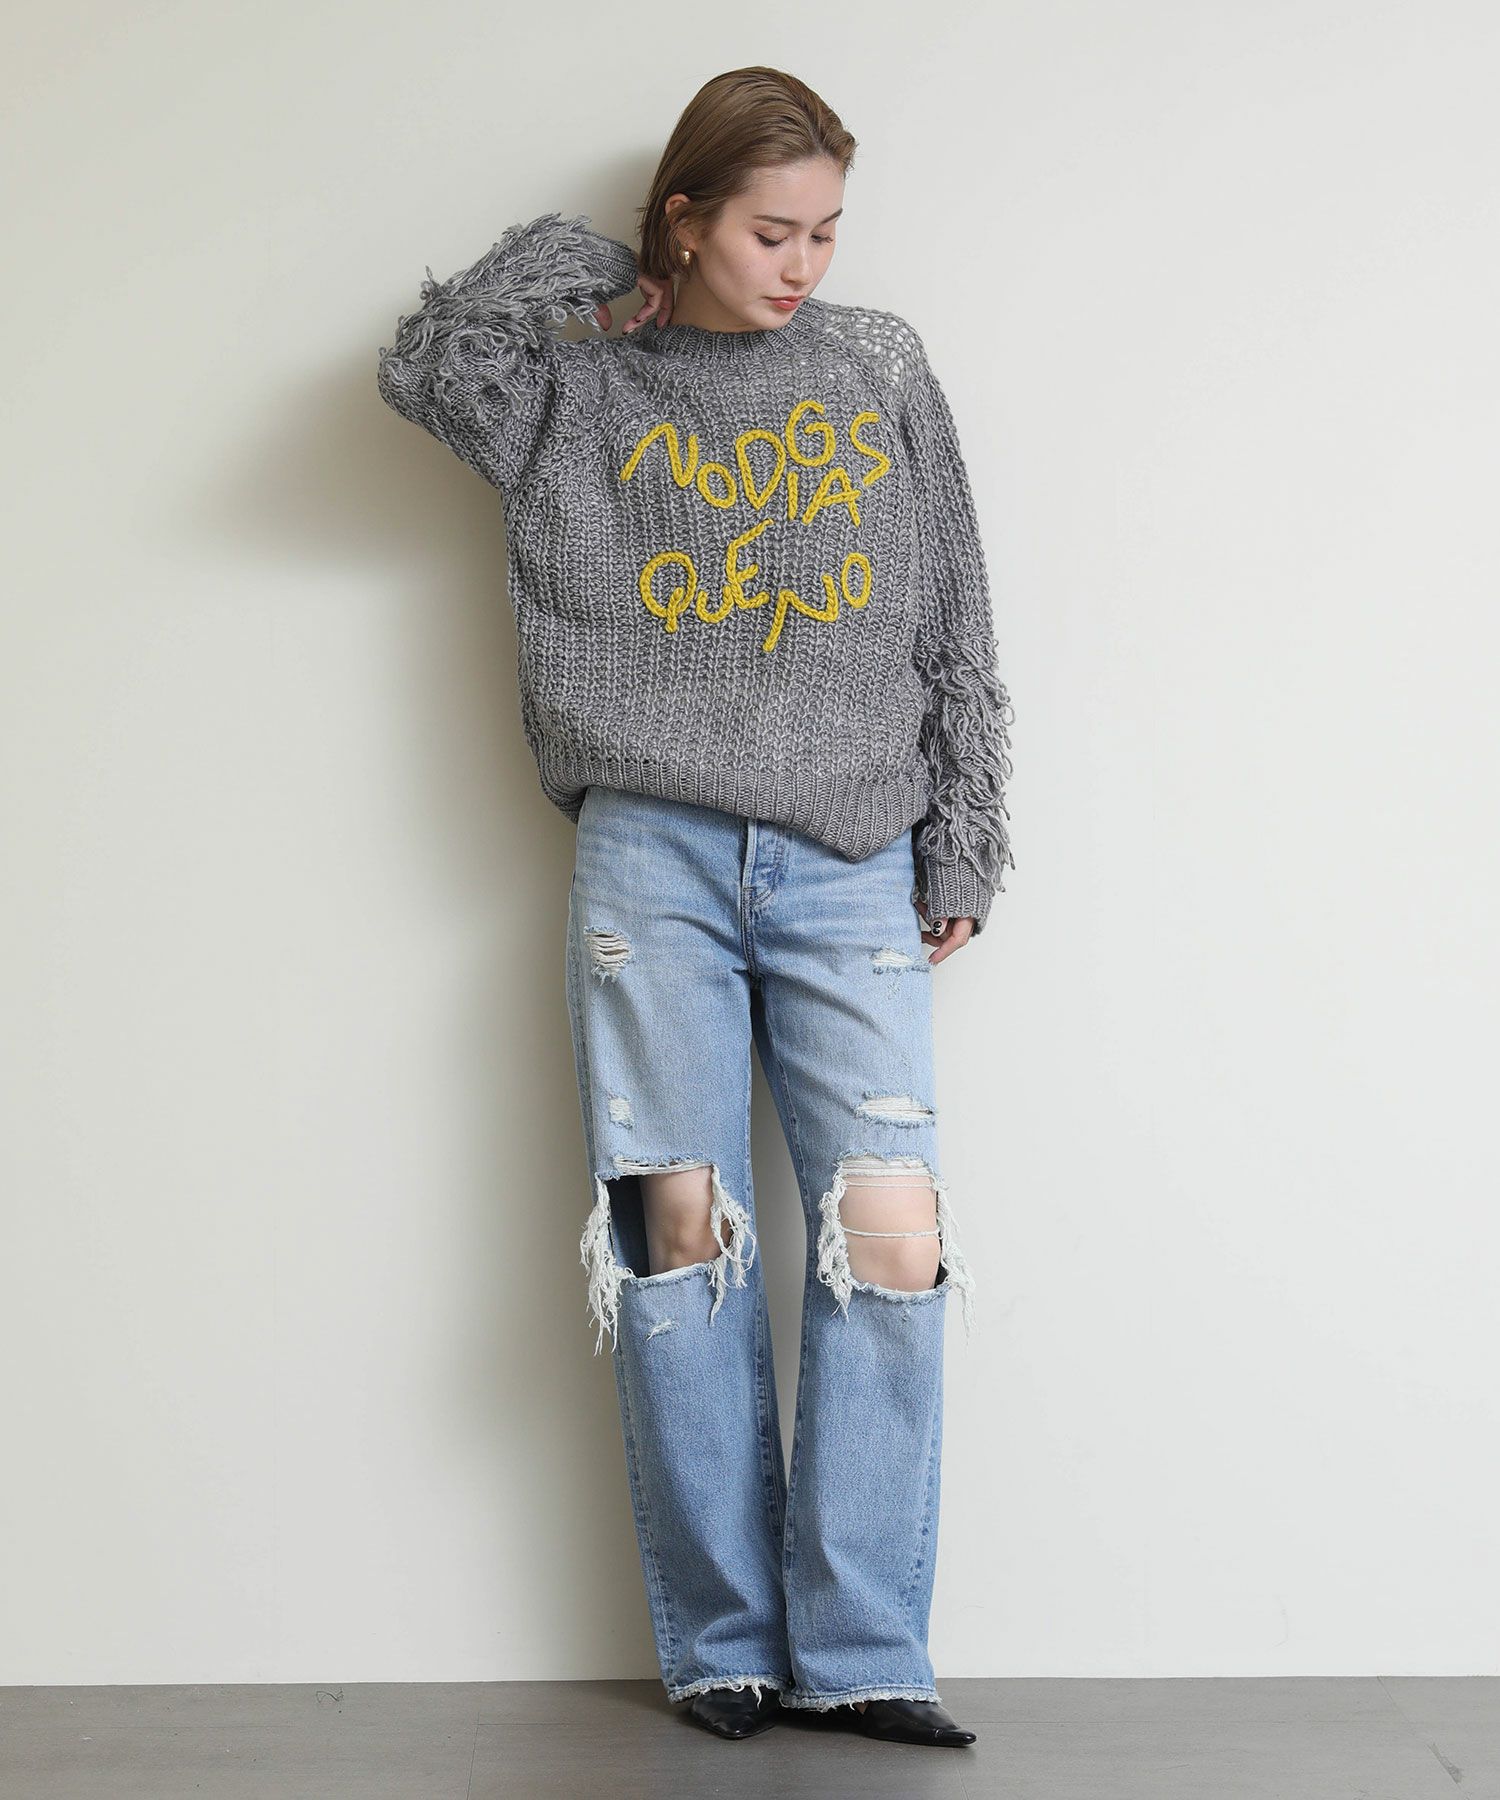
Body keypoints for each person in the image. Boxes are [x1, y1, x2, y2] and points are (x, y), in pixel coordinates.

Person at [376, 65, 1014, 1752]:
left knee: (891, 1237)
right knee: (677, 1238)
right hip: (649, 860)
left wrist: (965, 833)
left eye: (826, 232)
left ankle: (864, 1651)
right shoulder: (580, 380)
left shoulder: (878, 367)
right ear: (686, 219)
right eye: (767, 231)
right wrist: (612, 273)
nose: (802, 264)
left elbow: (955, 610)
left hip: (851, 853)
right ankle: (722, 1643)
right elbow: (427, 362)